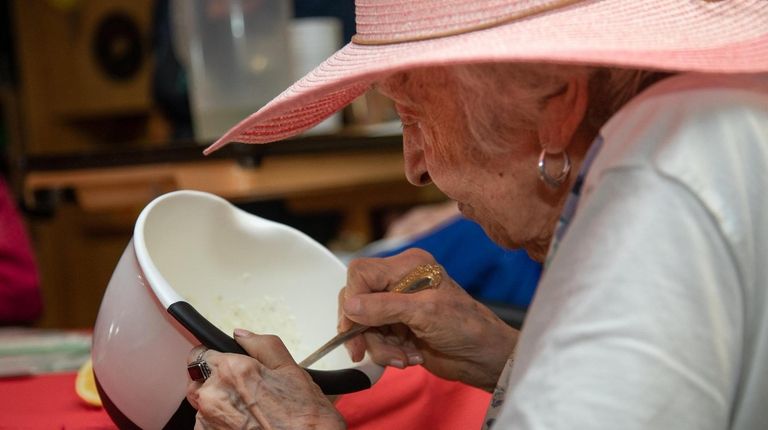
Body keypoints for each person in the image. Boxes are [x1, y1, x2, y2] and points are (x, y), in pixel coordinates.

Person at [184, 1, 768, 428]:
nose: (414, 167)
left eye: (413, 116)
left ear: (556, 107)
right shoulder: (698, 121)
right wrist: (506, 355)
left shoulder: (656, 178)